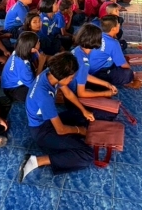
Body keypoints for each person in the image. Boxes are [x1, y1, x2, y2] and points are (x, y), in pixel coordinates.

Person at [19, 52, 95, 182]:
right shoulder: (44, 96)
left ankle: (68, 144)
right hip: (42, 132)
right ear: (64, 76)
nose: (72, 80)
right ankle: (36, 161)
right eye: (71, 78)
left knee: (81, 115)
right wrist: (79, 130)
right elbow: (60, 129)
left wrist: (84, 110)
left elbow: (68, 93)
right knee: (87, 155)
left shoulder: (51, 73)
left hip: (48, 120)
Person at [67, 24, 118, 119]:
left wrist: (106, 84)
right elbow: (81, 93)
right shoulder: (83, 62)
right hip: (73, 98)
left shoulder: (79, 50)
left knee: (103, 86)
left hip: (72, 89)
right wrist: (105, 93)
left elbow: (83, 75)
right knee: (111, 114)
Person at [89, 15, 142, 89]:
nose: (119, 25)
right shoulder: (113, 43)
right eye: (118, 24)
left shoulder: (98, 35)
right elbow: (124, 65)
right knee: (128, 74)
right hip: (98, 73)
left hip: (88, 69)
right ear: (113, 29)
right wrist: (133, 75)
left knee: (119, 57)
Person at [1, 31, 45, 102]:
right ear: (32, 49)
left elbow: (38, 57)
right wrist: (41, 63)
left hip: (18, 79)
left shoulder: (20, 50)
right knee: (39, 93)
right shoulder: (23, 66)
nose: (39, 43)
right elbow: (34, 85)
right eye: (38, 42)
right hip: (13, 89)